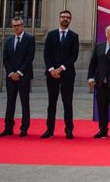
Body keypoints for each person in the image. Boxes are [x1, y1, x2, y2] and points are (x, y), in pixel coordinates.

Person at [41, 9, 79, 139]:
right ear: (59, 18)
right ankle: (49, 130)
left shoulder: (74, 36)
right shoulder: (51, 35)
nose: (65, 19)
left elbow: (74, 56)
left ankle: (69, 130)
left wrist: (61, 69)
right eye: (63, 17)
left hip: (67, 74)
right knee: (52, 103)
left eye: (67, 17)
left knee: (67, 103)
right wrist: (52, 69)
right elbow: (46, 54)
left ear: (70, 20)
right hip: (52, 75)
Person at [0, 16, 35, 137]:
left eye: (18, 25)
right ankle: (8, 127)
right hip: (11, 76)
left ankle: (24, 128)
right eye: (14, 25)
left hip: (24, 76)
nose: (16, 27)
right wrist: (11, 73)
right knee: (10, 102)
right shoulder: (9, 40)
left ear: (23, 25)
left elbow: (29, 58)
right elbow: (6, 58)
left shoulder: (30, 39)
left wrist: (19, 72)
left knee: (25, 102)